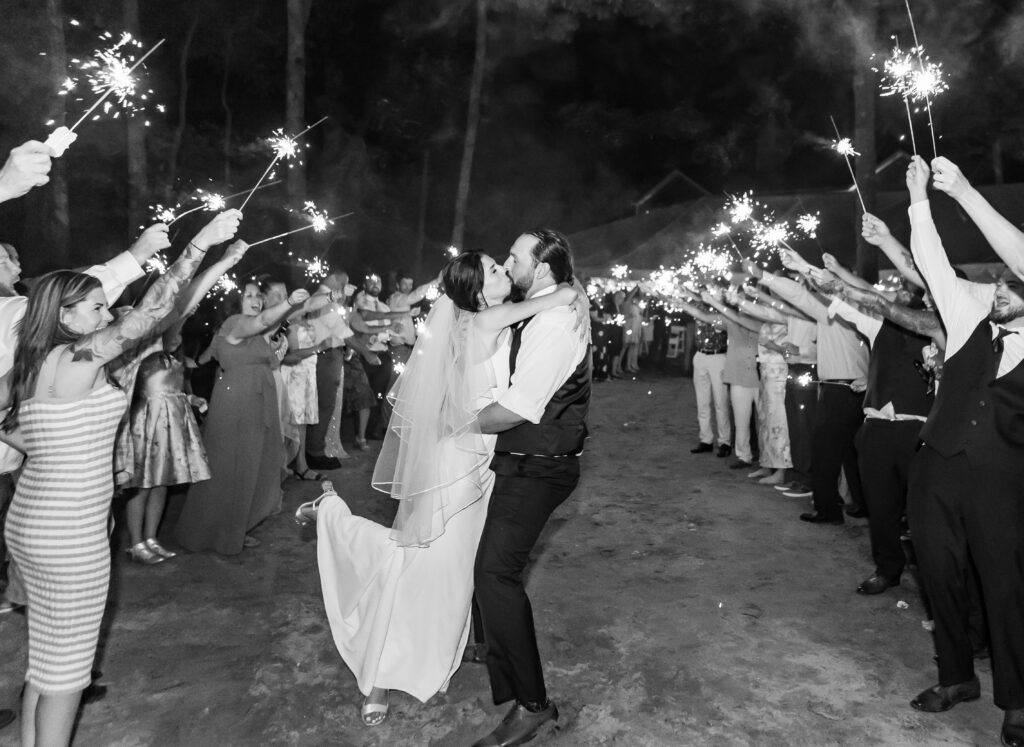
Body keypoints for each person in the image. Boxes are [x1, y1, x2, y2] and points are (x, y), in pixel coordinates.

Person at [309, 250, 580, 727]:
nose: (503, 272)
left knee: (449, 568)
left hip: (477, 461)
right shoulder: (487, 319)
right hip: (457, 461)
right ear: (478, 292)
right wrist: (568, 291)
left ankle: (433, 645)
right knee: (414, 559)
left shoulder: (468, 322)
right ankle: (375, 674)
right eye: (496, 269)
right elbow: (554, 297)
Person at [0, 211, 235, 747]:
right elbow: (155, 308)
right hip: (69, 534)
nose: (108, 314)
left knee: (44, 659)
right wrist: (199, 242)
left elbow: (10, 425)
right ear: (64, 314)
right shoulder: (78, 357)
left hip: (30, 522)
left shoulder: (27, 366)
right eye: (97, 306)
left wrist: (54, 450)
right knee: (66, 676)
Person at [903, 155, 1024, 747]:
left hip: (1002, 477)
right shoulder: (968, 313)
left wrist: (968, 194)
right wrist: (920, 199)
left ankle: (1018, 701)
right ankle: (955, 677)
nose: (1000, 288)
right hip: (937, 463)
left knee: (1005, 585)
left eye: (1012, 284)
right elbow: (931, 263)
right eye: (998, 282)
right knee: (938, 571)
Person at [471, 229, 590, 747]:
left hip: (540, 465)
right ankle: (489, 644)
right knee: (484, 559)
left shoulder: (555, 324)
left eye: (513, 258)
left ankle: (534, 705)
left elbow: (518, 410)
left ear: (540, 270)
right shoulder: (544, 307)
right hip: (523, 459)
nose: (507, 262)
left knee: (496, 573)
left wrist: (455, 424)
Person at [118, 239, 251, 564]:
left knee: (163, 480)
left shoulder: (168, 345)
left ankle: (150, 537)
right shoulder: (132, 333)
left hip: (171, 419)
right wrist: (220, 263)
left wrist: (190, 397)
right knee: (142, 483)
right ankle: (135, 542)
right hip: (142, 420)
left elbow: (183, 310)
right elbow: (180, 304)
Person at [174, 281, 326, 555]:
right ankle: (222, 531)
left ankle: (235, 526)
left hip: (256, 400)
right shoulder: (235, 323)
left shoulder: (250, 329)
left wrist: (317, 297)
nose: (256, 299)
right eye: (249, 295)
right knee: (234, 465)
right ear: (236, 302)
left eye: (258, 295)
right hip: (238, 401)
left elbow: (210, 354)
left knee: (250, 463)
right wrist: (290, 300)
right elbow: (267, 318)